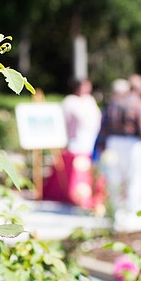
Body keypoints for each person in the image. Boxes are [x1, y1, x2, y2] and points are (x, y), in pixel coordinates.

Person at [98, 75, 141, 225]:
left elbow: (103, 127)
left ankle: (114, 212)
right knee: (135, 178)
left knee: (114, 178)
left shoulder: (114, 104)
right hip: (132, 143)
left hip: (113, 143)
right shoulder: (139, 105)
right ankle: (133, 213)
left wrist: (102, 145)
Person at [42, 78, 103, 209]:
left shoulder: (90, 101)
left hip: (90, 139)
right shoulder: (70, 102)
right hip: (75, 140)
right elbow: (64, 122)